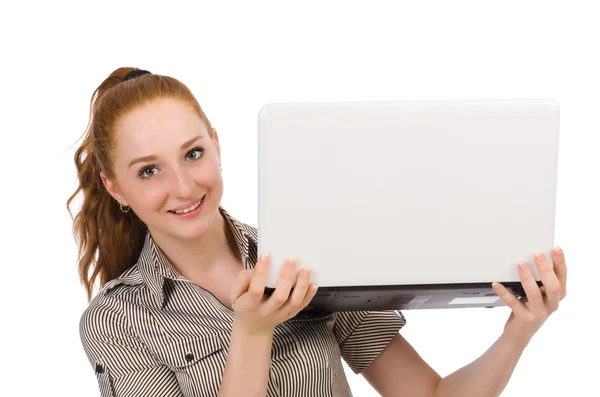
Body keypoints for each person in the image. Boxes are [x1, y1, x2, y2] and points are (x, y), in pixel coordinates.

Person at [68, 67, 568, 397]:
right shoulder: (117, 321)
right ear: (115, 188)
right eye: (148, 171)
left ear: (217, 147)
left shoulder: (307, 254)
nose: (183, 186)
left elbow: (428, 395)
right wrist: (252, 331)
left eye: (193, 153)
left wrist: (518, 333)